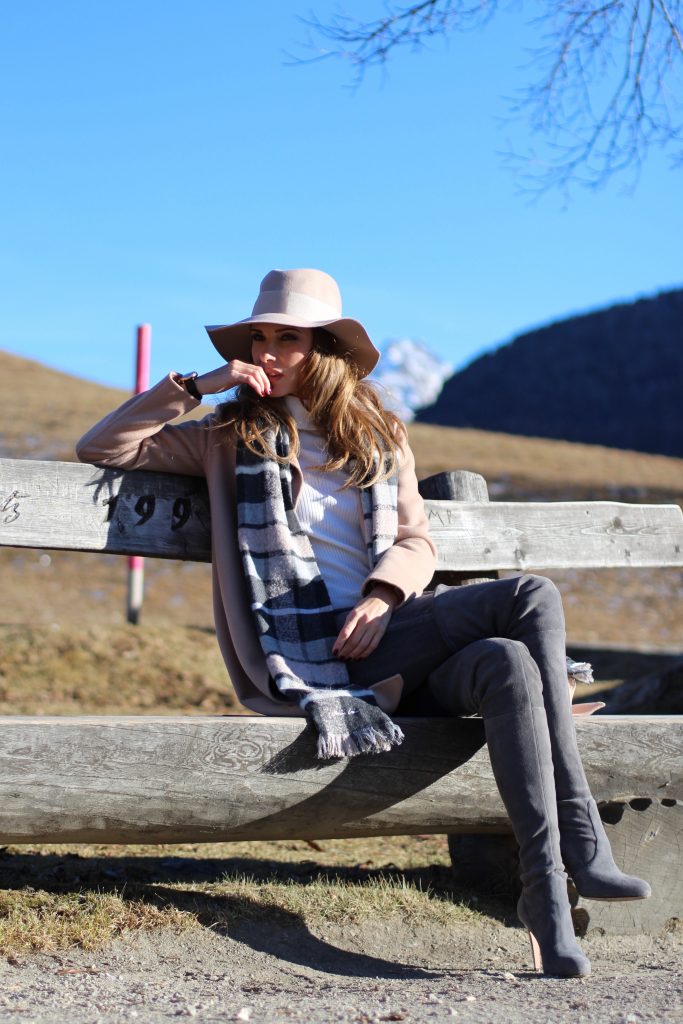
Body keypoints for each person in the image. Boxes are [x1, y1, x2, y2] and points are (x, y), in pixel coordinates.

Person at [76, 268, 650, 978]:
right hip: (312, 658)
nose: (267, 351)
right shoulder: (227, 437)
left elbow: (416, 542)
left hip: (394, 637)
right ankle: (583, 839)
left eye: (288, 338)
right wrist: (195, 386)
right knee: (528, 595)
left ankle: (546, 900)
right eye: (260, 337)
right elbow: (103, 447)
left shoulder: (380, 436)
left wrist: (380, 599)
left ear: (327, 351)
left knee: (507, 659)